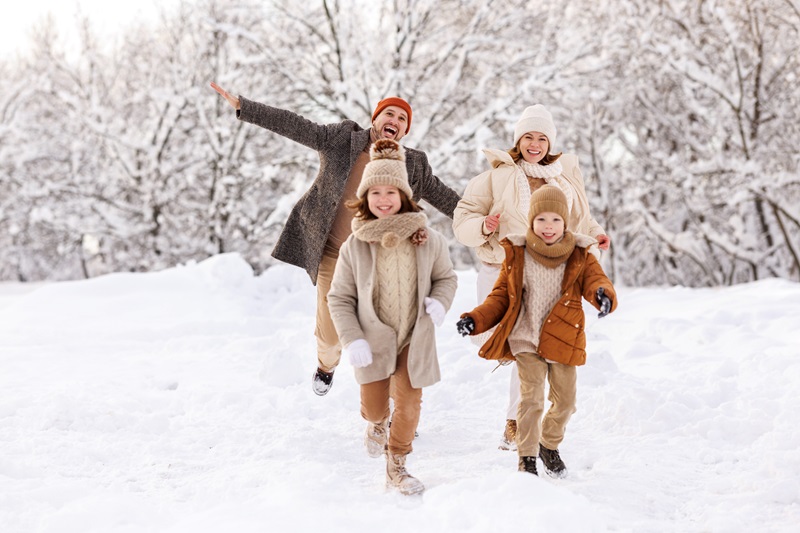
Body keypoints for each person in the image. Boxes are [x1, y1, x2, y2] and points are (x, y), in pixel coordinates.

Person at [210, 82, 460, 396]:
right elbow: (296, 125)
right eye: (389, 114)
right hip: (335, 254)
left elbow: (446, 198)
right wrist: (245, 107)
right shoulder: (343, 139)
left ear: (405, 130)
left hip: (383, 261)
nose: (394, 121)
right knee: (329, 336)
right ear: (376, 118)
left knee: (391, 336)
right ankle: (326, 365)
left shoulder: (413, 164)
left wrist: (482, 219)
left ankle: (395, 406)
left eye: (402, 119)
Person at [452, 104, 610, 450]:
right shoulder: (496, 177)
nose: (534, 144)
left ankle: (515, 422)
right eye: (528, 137)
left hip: (548, 272)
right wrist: (482, 226)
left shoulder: (564, 178)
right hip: (500, 269)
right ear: (518, 140)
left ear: (550, 142)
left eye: (541, 138)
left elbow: (581, 218)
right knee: (498, 340)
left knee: (529, 346)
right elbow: (462, 219)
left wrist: (595, 236)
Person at [455, 185, 617, 477]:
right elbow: (499, 298)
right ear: (531, 221)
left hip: (564, 338)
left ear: (565, 222)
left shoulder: (580, 254)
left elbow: (597, 281)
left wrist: (603, 296)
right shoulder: (518, 254)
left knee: (565, 402)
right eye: (541, 219)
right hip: (526, 338)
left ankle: (549, 445)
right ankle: (527, 458)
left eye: (555, 220)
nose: (548, 226)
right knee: (531, 399)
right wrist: (475, 319)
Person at [327, 139, 457, 495]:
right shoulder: (354, 245)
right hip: (371, 338)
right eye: (375, 193)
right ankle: (375, 424)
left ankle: (397, 465)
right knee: (374, 407)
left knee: (411, 403)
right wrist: (352, 338)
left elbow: (447, 277)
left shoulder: (428, 239)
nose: (383, 199)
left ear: (404, 195)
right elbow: (339, 297)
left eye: (391, 191)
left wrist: (441, 302)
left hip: (413, 337)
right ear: (365, 198)